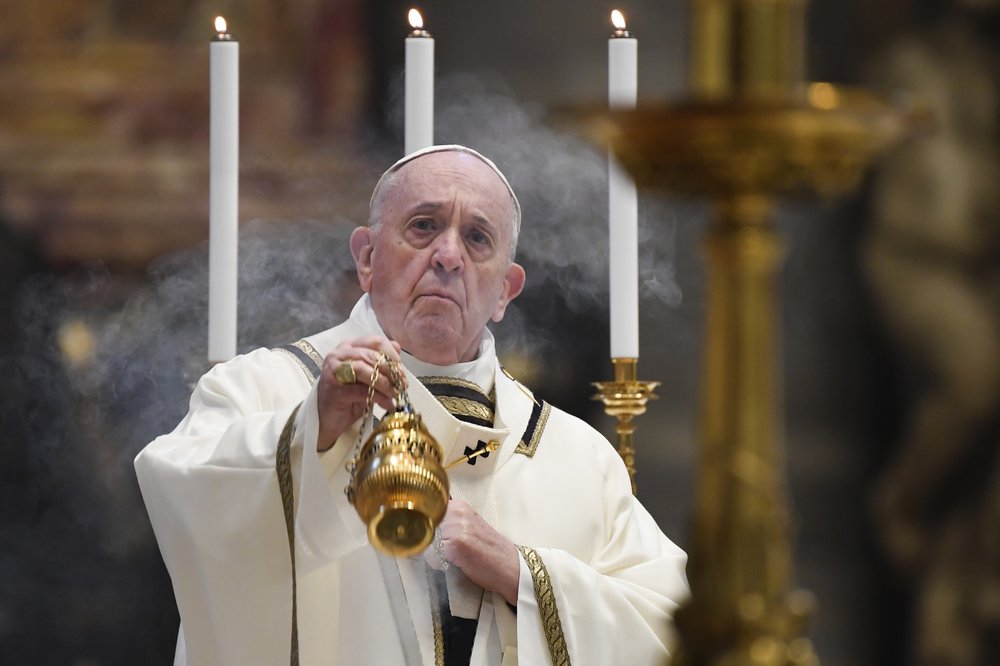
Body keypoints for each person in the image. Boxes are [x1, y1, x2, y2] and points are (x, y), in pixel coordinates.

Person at [135, 145, 689, 666]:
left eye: (477, 238)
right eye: (423, 226)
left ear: (505, 292)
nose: (448, 256)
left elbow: (673, 628)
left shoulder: (576, 457)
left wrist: (524, 573)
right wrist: (314, 433)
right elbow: (181, 491)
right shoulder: (264, 388)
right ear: (367, 257)